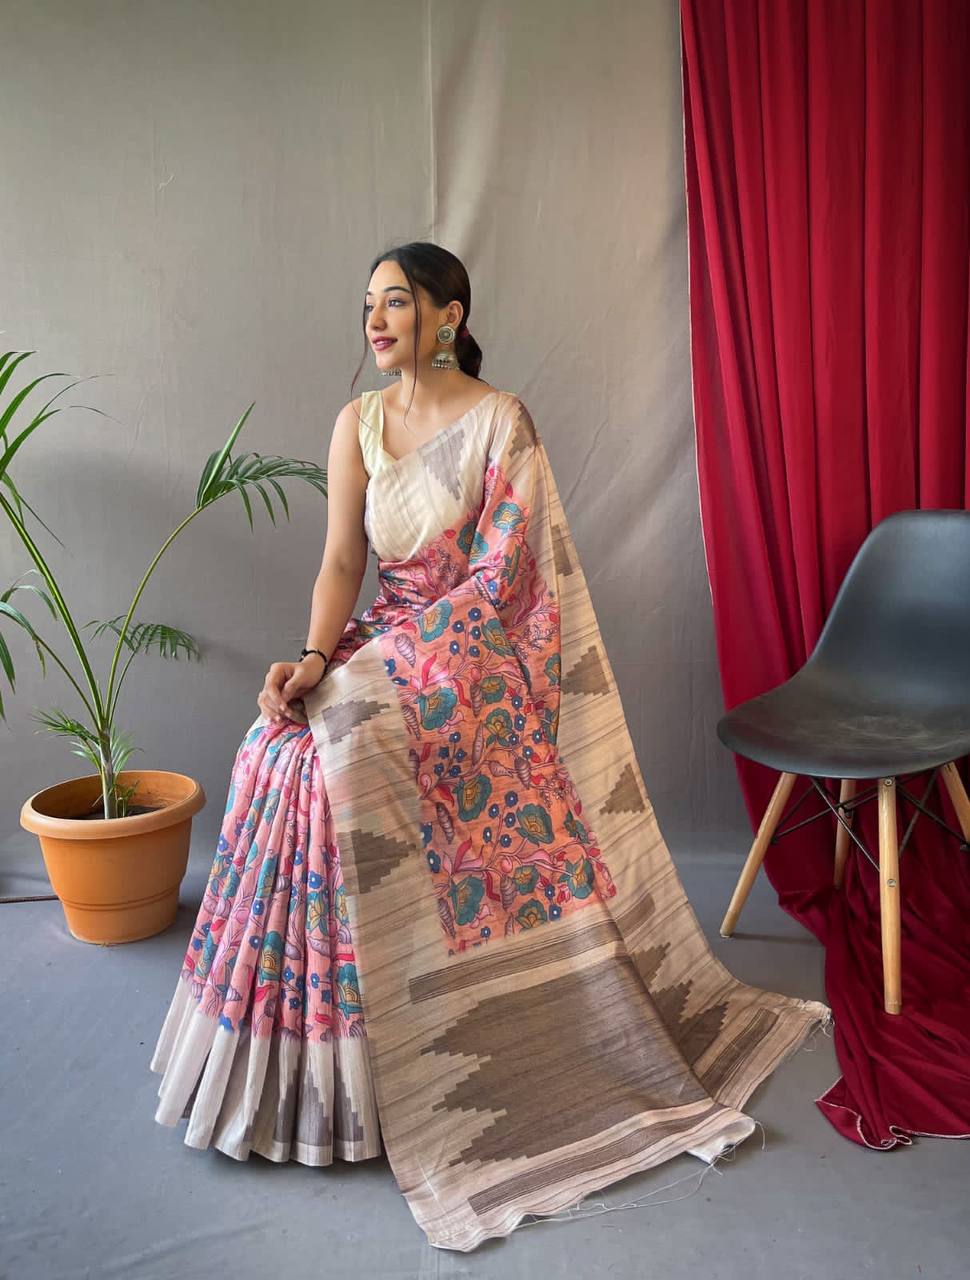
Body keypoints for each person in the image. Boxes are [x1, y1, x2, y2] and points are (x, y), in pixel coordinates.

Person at [151, 241, 828, 1252]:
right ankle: (303, 1078)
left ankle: (428, 1057)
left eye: (396, 303)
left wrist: (397, 665)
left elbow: (511, 579)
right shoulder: (358, 423)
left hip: (477, 659)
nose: (375, 321)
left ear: (448, 314)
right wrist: (309, 658)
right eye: (367, 305)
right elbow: (343, 558)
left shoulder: (499, 420)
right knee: (278, 746)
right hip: (382, 638)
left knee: (340, 746)